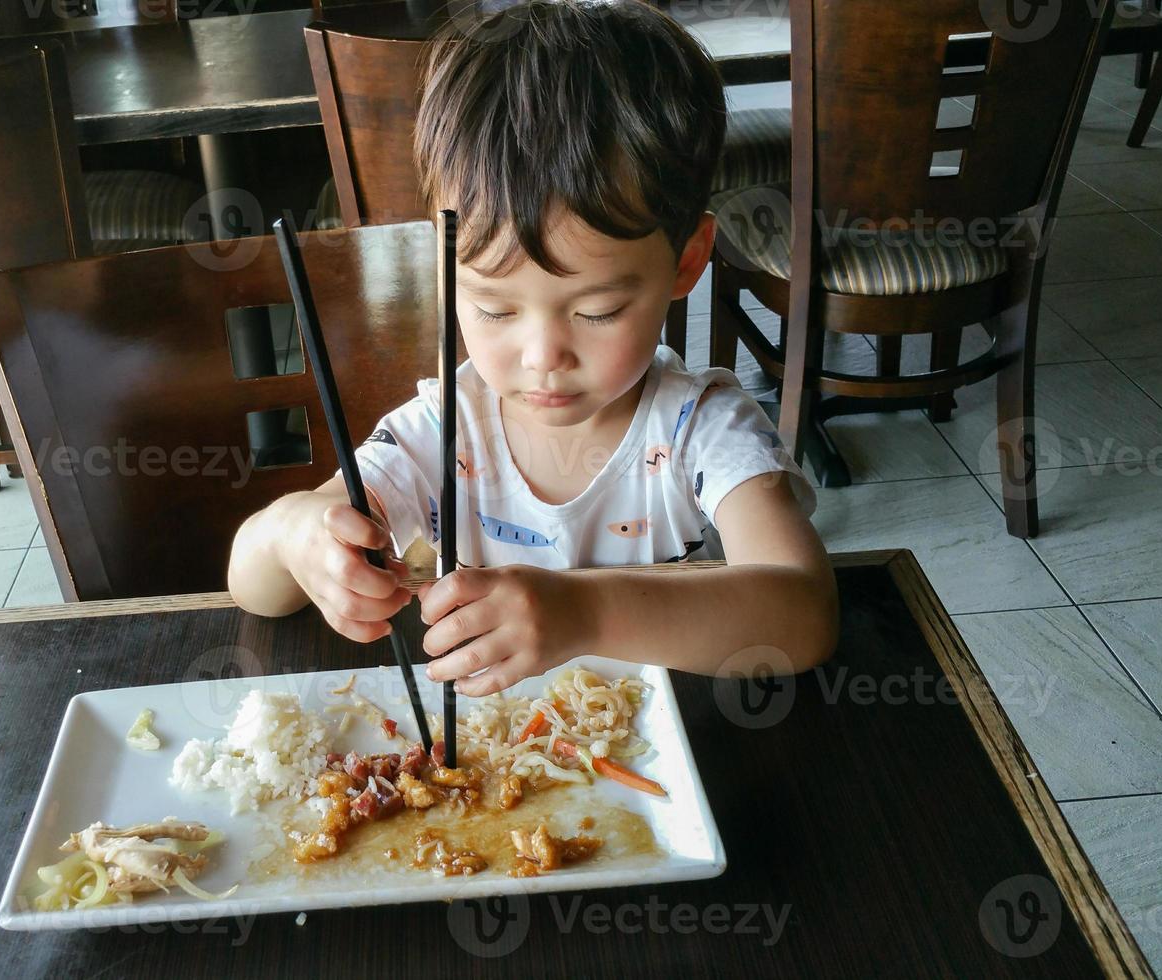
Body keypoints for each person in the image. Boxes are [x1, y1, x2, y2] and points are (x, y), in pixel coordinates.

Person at [229, 0, 836, 693]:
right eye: (493, 306)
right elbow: (254, 587)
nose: (543, 354)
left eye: (598, 310)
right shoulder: (440, 433)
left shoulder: (702, 429)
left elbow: (805, 613)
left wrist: (583, 611)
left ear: (687, 262)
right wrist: (293, 535)